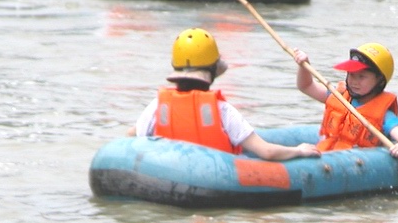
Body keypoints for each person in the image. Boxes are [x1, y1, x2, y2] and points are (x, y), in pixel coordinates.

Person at [129, 28, 320, 161]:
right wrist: (299, 151)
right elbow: (267, 152)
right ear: (212, 71)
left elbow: (129, 138)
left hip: (165, 173)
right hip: (216, 180)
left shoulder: (157, 106)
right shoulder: (223, 110)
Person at [293, 43, 398, 157]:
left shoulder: (384, 115)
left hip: (356, 164)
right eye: (351, 75)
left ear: (380, 81)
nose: (354, 81)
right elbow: (306, 86)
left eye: (361, 76)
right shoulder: (339, 96)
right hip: (326, 156)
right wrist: (304, 66)